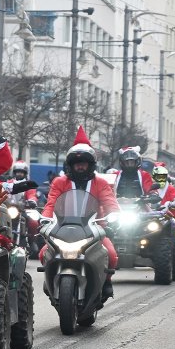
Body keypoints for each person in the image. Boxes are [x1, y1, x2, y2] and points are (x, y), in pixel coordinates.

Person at [41, 126, 119, 301]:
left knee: (112, 255)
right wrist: (45, 218)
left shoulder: (100, 183)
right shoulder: (60, 182)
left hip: (94, 229)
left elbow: (110, 202)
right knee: (43, 253)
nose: (80, 166)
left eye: (84, 163)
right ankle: (50, 278)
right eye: (77, 163)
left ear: (90, 165)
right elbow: (51, 202)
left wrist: (114, 215)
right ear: (71, 165)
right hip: (62, 228)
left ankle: (106, 282)